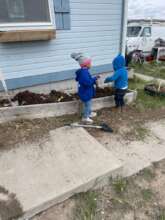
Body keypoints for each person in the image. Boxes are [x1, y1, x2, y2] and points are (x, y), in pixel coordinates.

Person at [71, 53, 99, 123]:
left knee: (88, 104)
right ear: (86, 64)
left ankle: (89, 113)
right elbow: (87, 83)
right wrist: (94, 79)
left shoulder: (82, 71)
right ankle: (85, 117)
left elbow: (82, 80)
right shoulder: (84, 73)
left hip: (84, 91)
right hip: (86, 92)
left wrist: (93, 79)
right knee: (88, 105)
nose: (91, 64)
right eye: (90, 63)